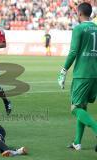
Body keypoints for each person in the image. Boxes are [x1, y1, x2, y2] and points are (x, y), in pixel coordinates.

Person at [58, 2, 97, 151]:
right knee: (83, 107)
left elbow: (73, 51)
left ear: (79, 13)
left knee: (75, 108)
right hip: (94, 74)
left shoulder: (79, 28)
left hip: (82, 74)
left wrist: (63, 70)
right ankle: (77, 142)